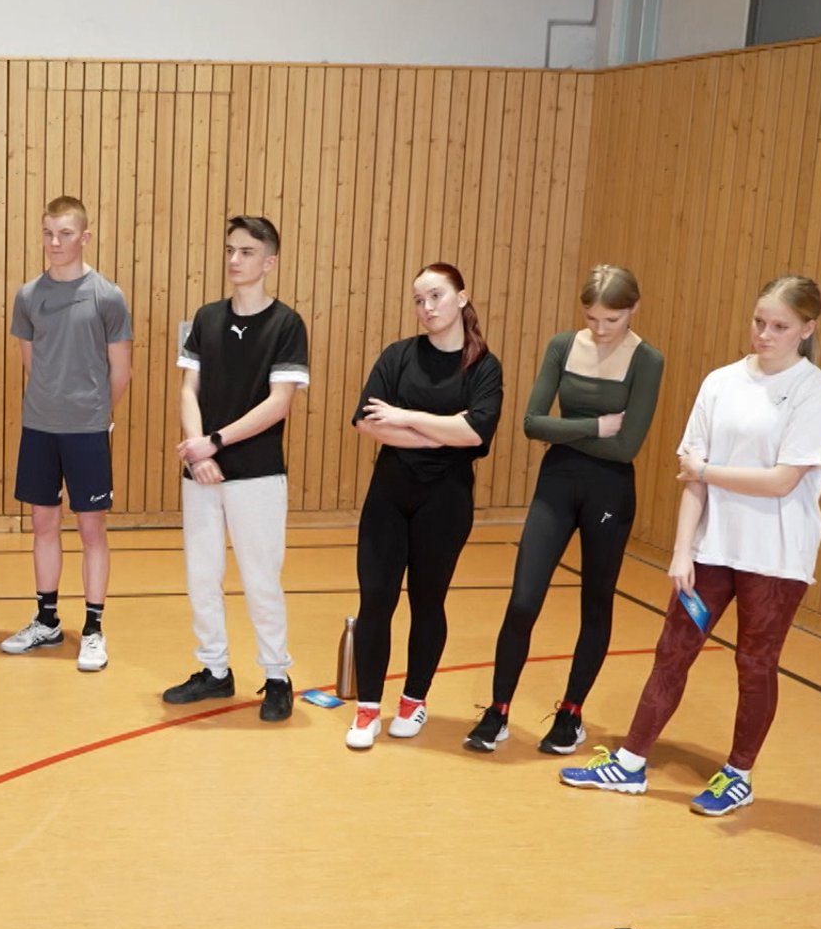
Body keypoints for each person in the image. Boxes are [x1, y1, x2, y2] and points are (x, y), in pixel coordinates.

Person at [561, 275, 821, 817]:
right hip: (713, 548)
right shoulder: (721, 382)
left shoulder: (816, 391)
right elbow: (691, 476)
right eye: (759, 322)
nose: (765, 334)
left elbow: (782, 480)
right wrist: (683, 549)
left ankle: (738, 773)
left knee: (756, 664)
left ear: (807, 329)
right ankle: (630, 762)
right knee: (672, 652)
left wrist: (709, 471)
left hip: (777, 557)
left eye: (780, 326)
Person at [466, 265, 664, 753]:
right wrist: (596, 427)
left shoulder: (648, 361)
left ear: (634, 309)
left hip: (610, 493)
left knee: (595, 605)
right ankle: (499, 709)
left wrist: (569, 427)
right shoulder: (561, 346)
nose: (599, 329)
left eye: (612, 320)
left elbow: (628, 447)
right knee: (523, 600)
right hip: (557, 484)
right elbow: (532, 423)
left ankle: (571, 713)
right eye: (592, 318)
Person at [346, 263, 504, 749]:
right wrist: (442, 430)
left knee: (427, 601)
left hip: (446, 501)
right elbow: (368, 423)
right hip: (389, 495)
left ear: (461, 297)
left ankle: (414, 701)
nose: (427, 308)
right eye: (419, 300)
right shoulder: (397, 357)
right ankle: (367, 708)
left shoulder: (483, 366)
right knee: (376, 599)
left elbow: (477, 432)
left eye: (435, 296)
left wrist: (407, 418)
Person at [162, 215, 310, 722]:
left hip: (257, 473)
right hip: (201, 471)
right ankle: (214, 671)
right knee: (202, 576)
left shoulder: (287, 325)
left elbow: (278, 403)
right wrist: (199, 452)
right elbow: (188, 390)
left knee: (260, 578)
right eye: (229, 250)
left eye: (246, 252)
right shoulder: (205, 319)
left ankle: (275, 676)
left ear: (269, 262)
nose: (233, 260)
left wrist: (215, 443)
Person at [0, 196, 134, 672]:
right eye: (49, 233)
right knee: (42, 524)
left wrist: (95, 413)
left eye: (66, 234)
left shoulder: (107, 296)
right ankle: (47, 619)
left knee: (92, 528)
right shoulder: (28, 296)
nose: (55, 243)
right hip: (40, 427)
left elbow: (121, 370)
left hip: (86, 431)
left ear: (85, 237)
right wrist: (52, 403)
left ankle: (94, 629)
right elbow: (31, 363)